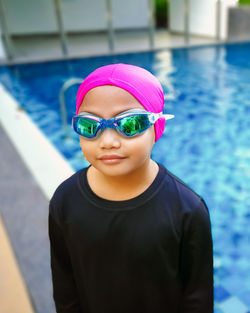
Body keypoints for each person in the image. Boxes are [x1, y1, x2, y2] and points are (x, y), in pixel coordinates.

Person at [48, 63, 213, 313]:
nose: (108, 141)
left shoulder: (187, 209)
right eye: (89, 126)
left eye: (130, 124)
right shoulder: (65, 200)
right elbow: (65, 286)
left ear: (157, 127)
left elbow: (197, 298)